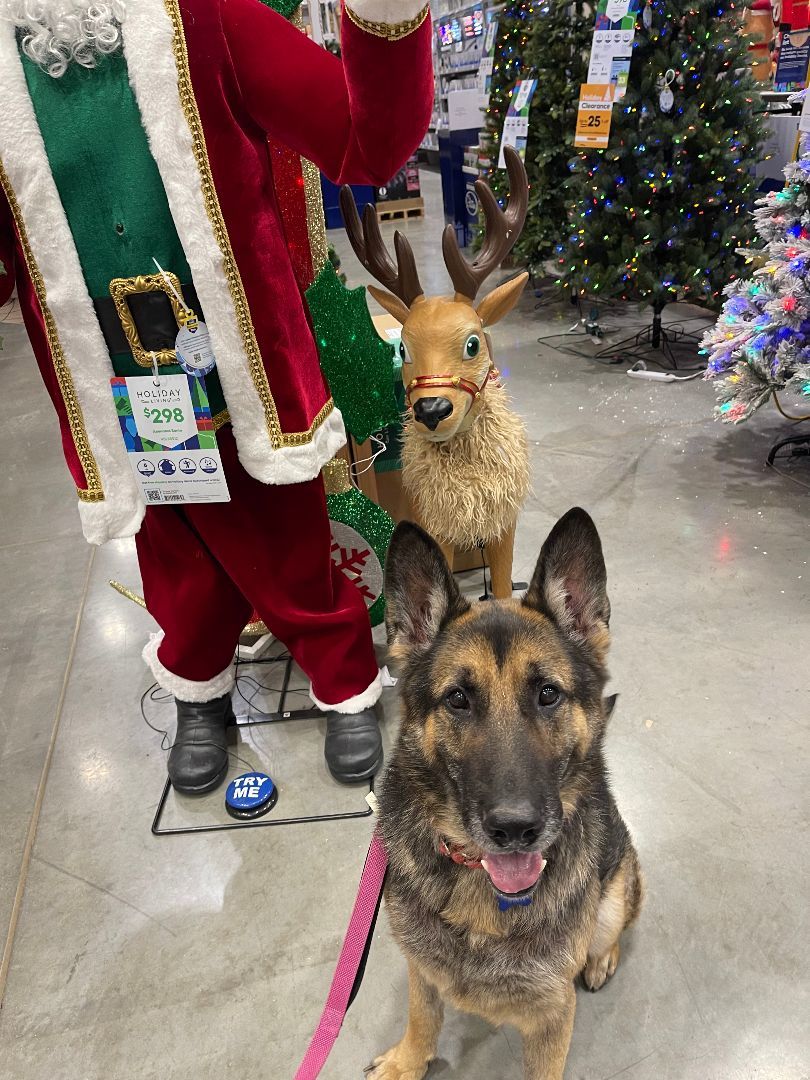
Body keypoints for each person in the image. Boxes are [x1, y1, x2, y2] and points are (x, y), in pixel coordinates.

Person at [0, 0, 433, 792]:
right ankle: (198, 686)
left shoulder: (207, 19)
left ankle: (344, 680)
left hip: (240, 357)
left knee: (287, 535)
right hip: (113, 377)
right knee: (175, 555)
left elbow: (362, 141)